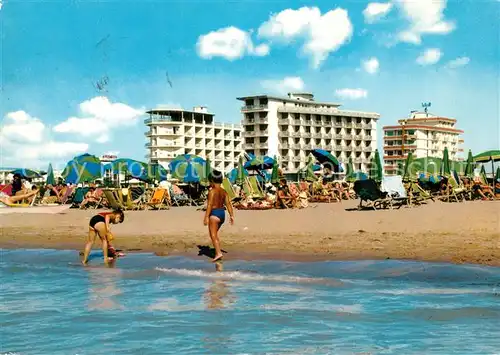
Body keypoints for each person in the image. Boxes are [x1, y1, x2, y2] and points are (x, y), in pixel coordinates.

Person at [203, 171, 234, 262]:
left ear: (212, 181)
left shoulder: (211, 191)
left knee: (213, 235)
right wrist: (231, 216)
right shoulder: (224, 191)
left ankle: (218, 253)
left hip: (214, 214)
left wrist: (206, 217)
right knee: (215, 235)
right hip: (222, 214)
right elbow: (228, 204)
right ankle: (217, 250)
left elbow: (209, 205)